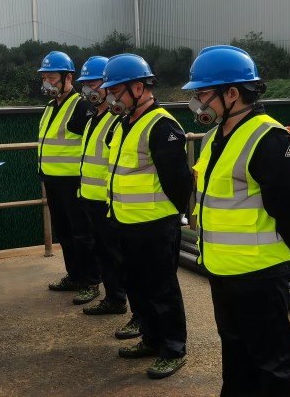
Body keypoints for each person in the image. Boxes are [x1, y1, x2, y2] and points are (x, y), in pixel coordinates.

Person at [183, 45, 290, 397]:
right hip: (223, 269)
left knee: (272, 361)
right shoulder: (216, 137)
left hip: (260, 272)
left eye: (203, 94)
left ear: (232, 93)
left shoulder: (270, 140)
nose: (197, 102)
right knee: (236, 352)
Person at [100, 53, 193, 379]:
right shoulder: (124, 122)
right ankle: (151, 339)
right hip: (126, 222)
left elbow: (180, 181)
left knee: (162, 290)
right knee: (137, 286)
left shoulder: (162, 125)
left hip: (155, 225)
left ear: (138, 88)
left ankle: (173, 348)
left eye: (116, 91)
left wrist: (173, 218)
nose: (111, 98)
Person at [75, 56, 141, 336]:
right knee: (104, 254)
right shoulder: (94, 118)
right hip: (91, 199)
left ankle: (138, 313)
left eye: (94, 84)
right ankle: (114, 298)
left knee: (122, 259)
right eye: (85, 84)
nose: (88, 90)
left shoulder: (117, 121)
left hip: (109, 202)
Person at [37, 51, 102, 305]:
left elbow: (92, 144)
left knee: (82, 233)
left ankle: (91, 281)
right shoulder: (50, 107)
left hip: (74, 182)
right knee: (64, 232)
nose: (47, 82)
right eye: (44, 78)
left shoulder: (82, 106)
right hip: (53, 180)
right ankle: (74, 276)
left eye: (52, 77)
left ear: (68, 78)